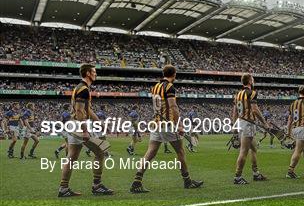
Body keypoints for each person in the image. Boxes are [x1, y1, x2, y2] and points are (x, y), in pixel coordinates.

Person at [130, 65, 203, 193]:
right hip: (168, 125)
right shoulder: (169, 87)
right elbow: (173, 106)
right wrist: (179, 125)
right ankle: (187, 181)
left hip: (156, 123)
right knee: (180, 151)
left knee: (150, 152)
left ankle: (137, 181)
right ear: (174, 74)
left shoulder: (155, 87)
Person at [58, 63, 114, 197]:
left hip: (73, 124)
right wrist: (84, 130)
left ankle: (63, 188)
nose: (96, 74)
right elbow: (79, 110)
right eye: (94, 72)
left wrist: (99, 123)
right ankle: (97, 185)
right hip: (78, 125)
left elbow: (87, 109)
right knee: (101, 151)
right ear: (88, 73)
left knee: (71, 157)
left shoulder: (81, 87)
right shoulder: (83, 89)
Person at [231, 73, 269, 185]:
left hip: (241, 123)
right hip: (248, 124)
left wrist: (235, 127)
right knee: (244, 151)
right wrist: (264, 122)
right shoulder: (252, 93)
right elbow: (255, 110)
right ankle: (237, 177)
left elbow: (234, 113)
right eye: (253, 79)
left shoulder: (238, 94)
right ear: (250, 81)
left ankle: (256, 173)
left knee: (254, 148)